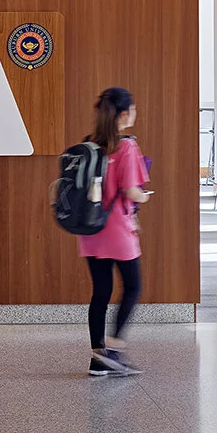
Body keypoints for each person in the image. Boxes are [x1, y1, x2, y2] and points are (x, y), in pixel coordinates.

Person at [79, 86, 151, 377]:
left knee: (101, 291)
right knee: (133, 286)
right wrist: (145, 197)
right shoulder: (127, 146)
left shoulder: (89, 144)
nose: (135, 113)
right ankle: (115, 347)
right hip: (118, 228)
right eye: (132, 109)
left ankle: (98, 358)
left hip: (91, 228)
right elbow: (132, 190)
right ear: (124, 114)